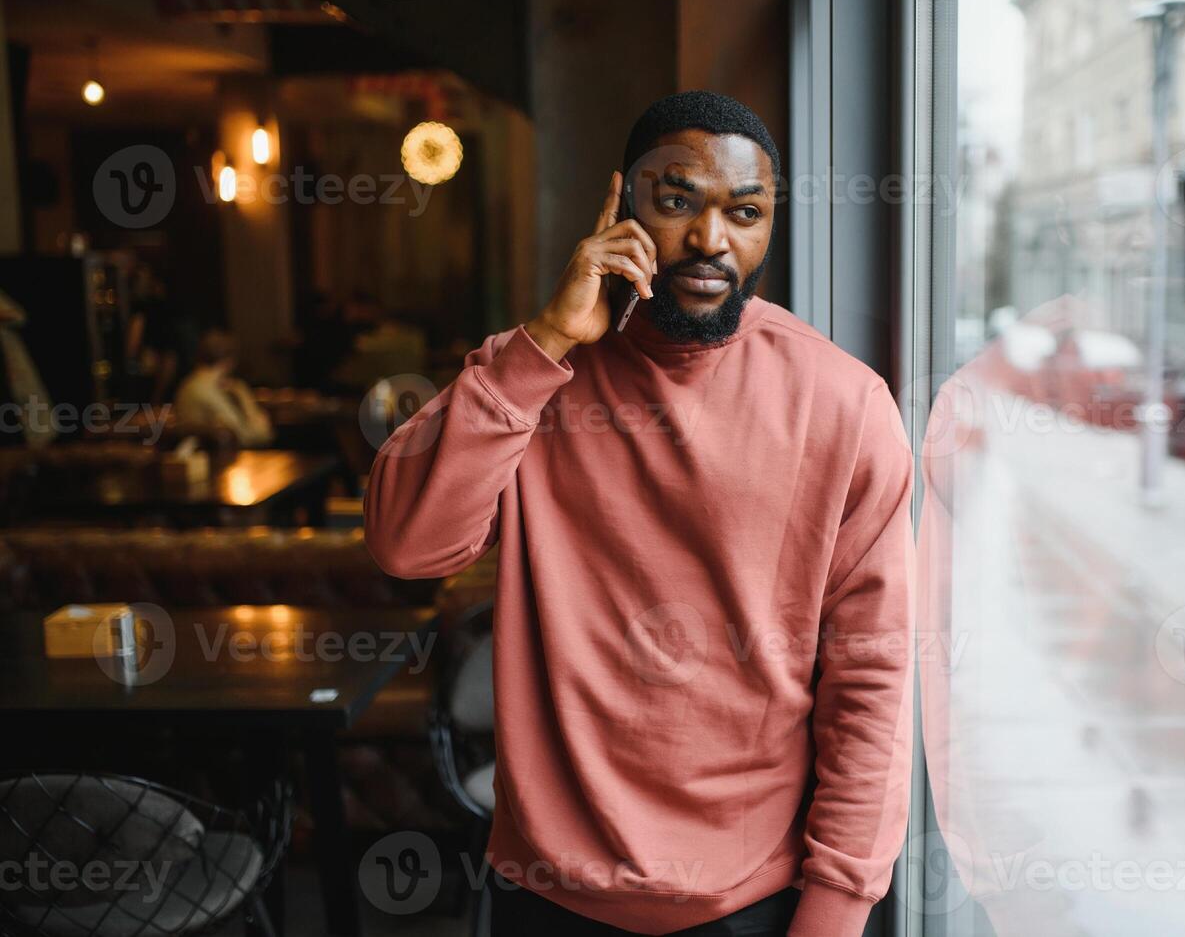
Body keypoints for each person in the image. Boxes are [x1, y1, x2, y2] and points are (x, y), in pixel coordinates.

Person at [365, 91, 914, 937]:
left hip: (752, 898)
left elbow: (870, 678)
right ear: (623, 205)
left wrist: (836, 910)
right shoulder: (534, 376)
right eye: (677, 201)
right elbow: (408, 544)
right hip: (549, 894)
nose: (710, 239)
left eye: (745, 211)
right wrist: (544, 341)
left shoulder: (844, 405)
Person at [174, 330, 273, 447]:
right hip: (216, 459)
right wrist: (243, 394)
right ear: (229, 362)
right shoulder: (206, 388)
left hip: (199, 457)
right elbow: (248, 435)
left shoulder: (188, 384)